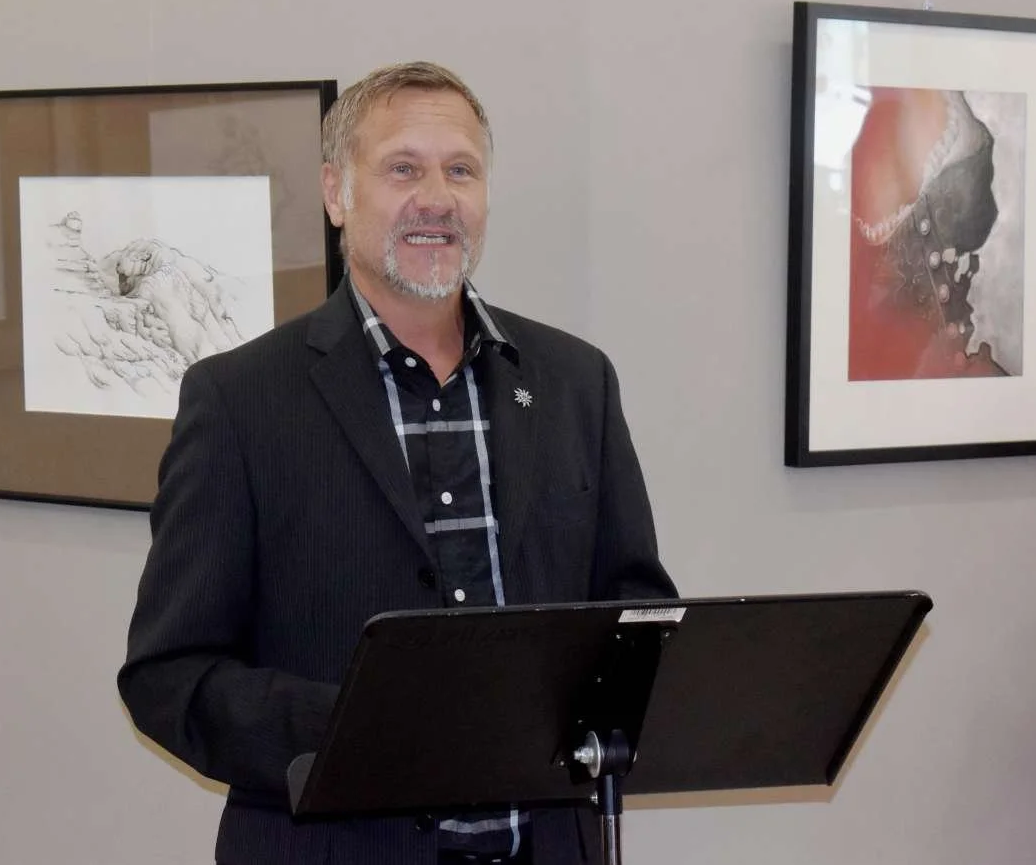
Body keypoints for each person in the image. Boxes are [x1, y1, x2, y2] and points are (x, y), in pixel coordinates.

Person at [118, 61, 676, 865]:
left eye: (461, 170)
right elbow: (170, 674)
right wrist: (361, 727)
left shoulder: (575, 382)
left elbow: (637, 615)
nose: (437, 198)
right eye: (403, 169)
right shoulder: (239, 402)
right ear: (336, 194)